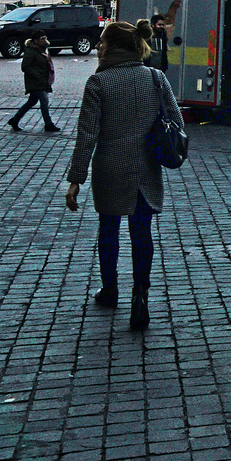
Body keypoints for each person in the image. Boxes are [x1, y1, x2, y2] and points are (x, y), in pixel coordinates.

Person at [64, 21, 186, 332]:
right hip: (146, 167)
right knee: (142, 232)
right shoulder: (156, 78)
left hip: (110, 167)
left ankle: (110, 291)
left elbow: (87, 135)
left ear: (113, 47)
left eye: (102, 42)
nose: (98, 47)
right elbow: (176, 118)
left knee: (109, 230)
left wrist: (76, 177)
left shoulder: (99, 83)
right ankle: (140, 296)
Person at [8, 30, 60, 132]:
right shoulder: (30, 51)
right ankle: (48, 124)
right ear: (35, 41)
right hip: (35, 81)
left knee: (32, 101)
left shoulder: (43, 49)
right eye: (42, 39)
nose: (44, 40)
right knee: (44, 100)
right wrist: (38, 76)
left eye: (45, 38)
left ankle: (15, 120)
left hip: (42, 80)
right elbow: (25, 67)